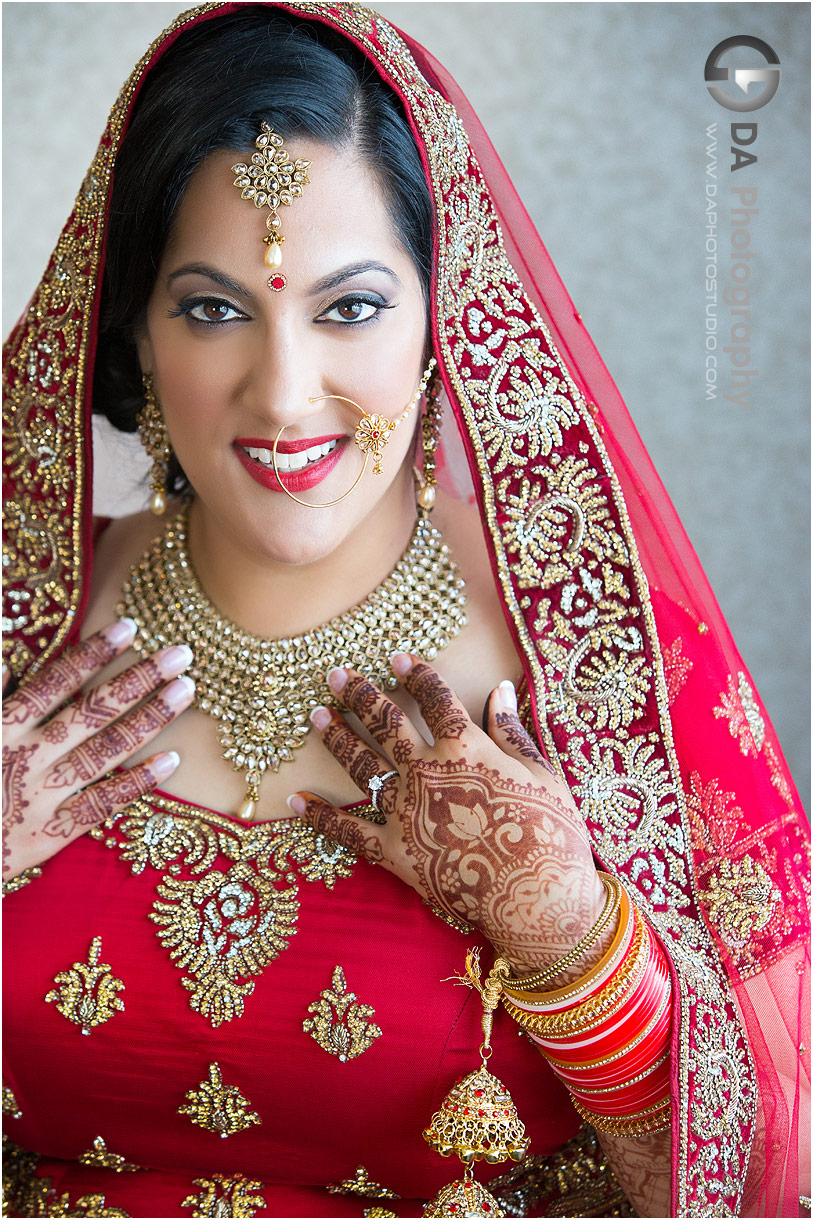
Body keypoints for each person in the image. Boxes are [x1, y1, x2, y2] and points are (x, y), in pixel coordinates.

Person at [2, 4, 808, 1217]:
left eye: (353, 306)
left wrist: (575, 940)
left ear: (448, 314)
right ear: (132, 329)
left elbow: (764, 1176)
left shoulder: (598, 653)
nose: (283, 391)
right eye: (214, 308)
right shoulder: (22, 623)